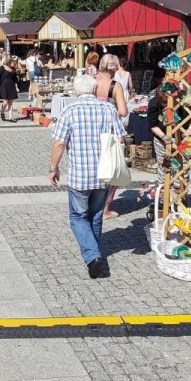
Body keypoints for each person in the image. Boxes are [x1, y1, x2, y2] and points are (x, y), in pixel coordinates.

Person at [48, 74, 125, 279]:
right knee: (96, 214)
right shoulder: (108, 109)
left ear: (75, 91)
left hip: (79, 175)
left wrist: (53, 168)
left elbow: (59, 143)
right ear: (93, 90)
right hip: (103, 173)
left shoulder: (69, 110)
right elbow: (121, 138)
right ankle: (95, 252)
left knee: (77, 217)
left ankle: (93, 256)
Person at [95, 54, 130, 219]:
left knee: (96, 166)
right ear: (115, 68)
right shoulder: (115, 86)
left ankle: (93, 203)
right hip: (109, 130)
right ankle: (105, 208)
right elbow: (123, 112)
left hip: (93, 129)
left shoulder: (93, 82)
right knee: (112, 167)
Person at [0, 54, 20, 122]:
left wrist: (16, 86)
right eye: (13, 62)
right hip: (4, 85)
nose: (14, 64)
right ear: (9, 61)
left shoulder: (13, 69)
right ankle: (2, 112)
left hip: (11, 86)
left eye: (15, 63)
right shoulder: (2, 67)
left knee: (10, 102)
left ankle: (11, 117)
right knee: (5, 102)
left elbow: (15, 80)